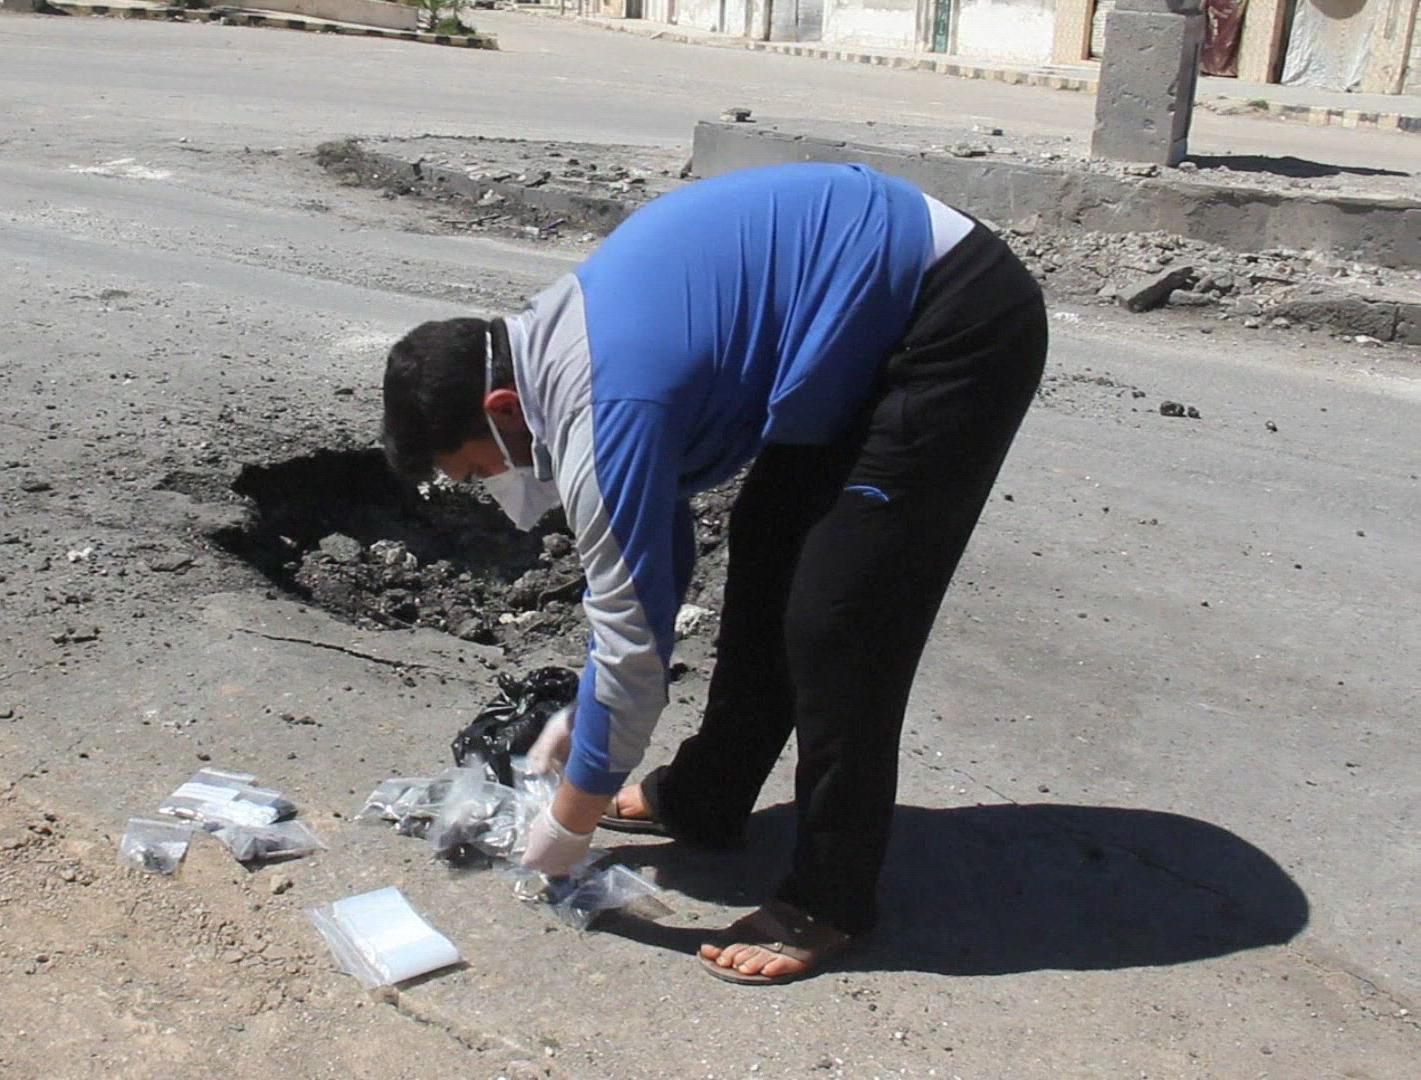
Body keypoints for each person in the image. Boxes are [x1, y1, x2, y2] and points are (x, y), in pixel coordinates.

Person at [379, 163, 1047, 984]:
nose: (497, 487)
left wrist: (569, 821)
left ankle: (830, 898)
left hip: (952, 320)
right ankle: (708, 795)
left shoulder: (604, 409)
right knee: (768, 547)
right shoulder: (550, 346)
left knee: (840, 618)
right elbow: (648, 578)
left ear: (502, 409)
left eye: (480, 470)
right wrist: (585, 720)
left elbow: (633, 652)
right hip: (853, 325)